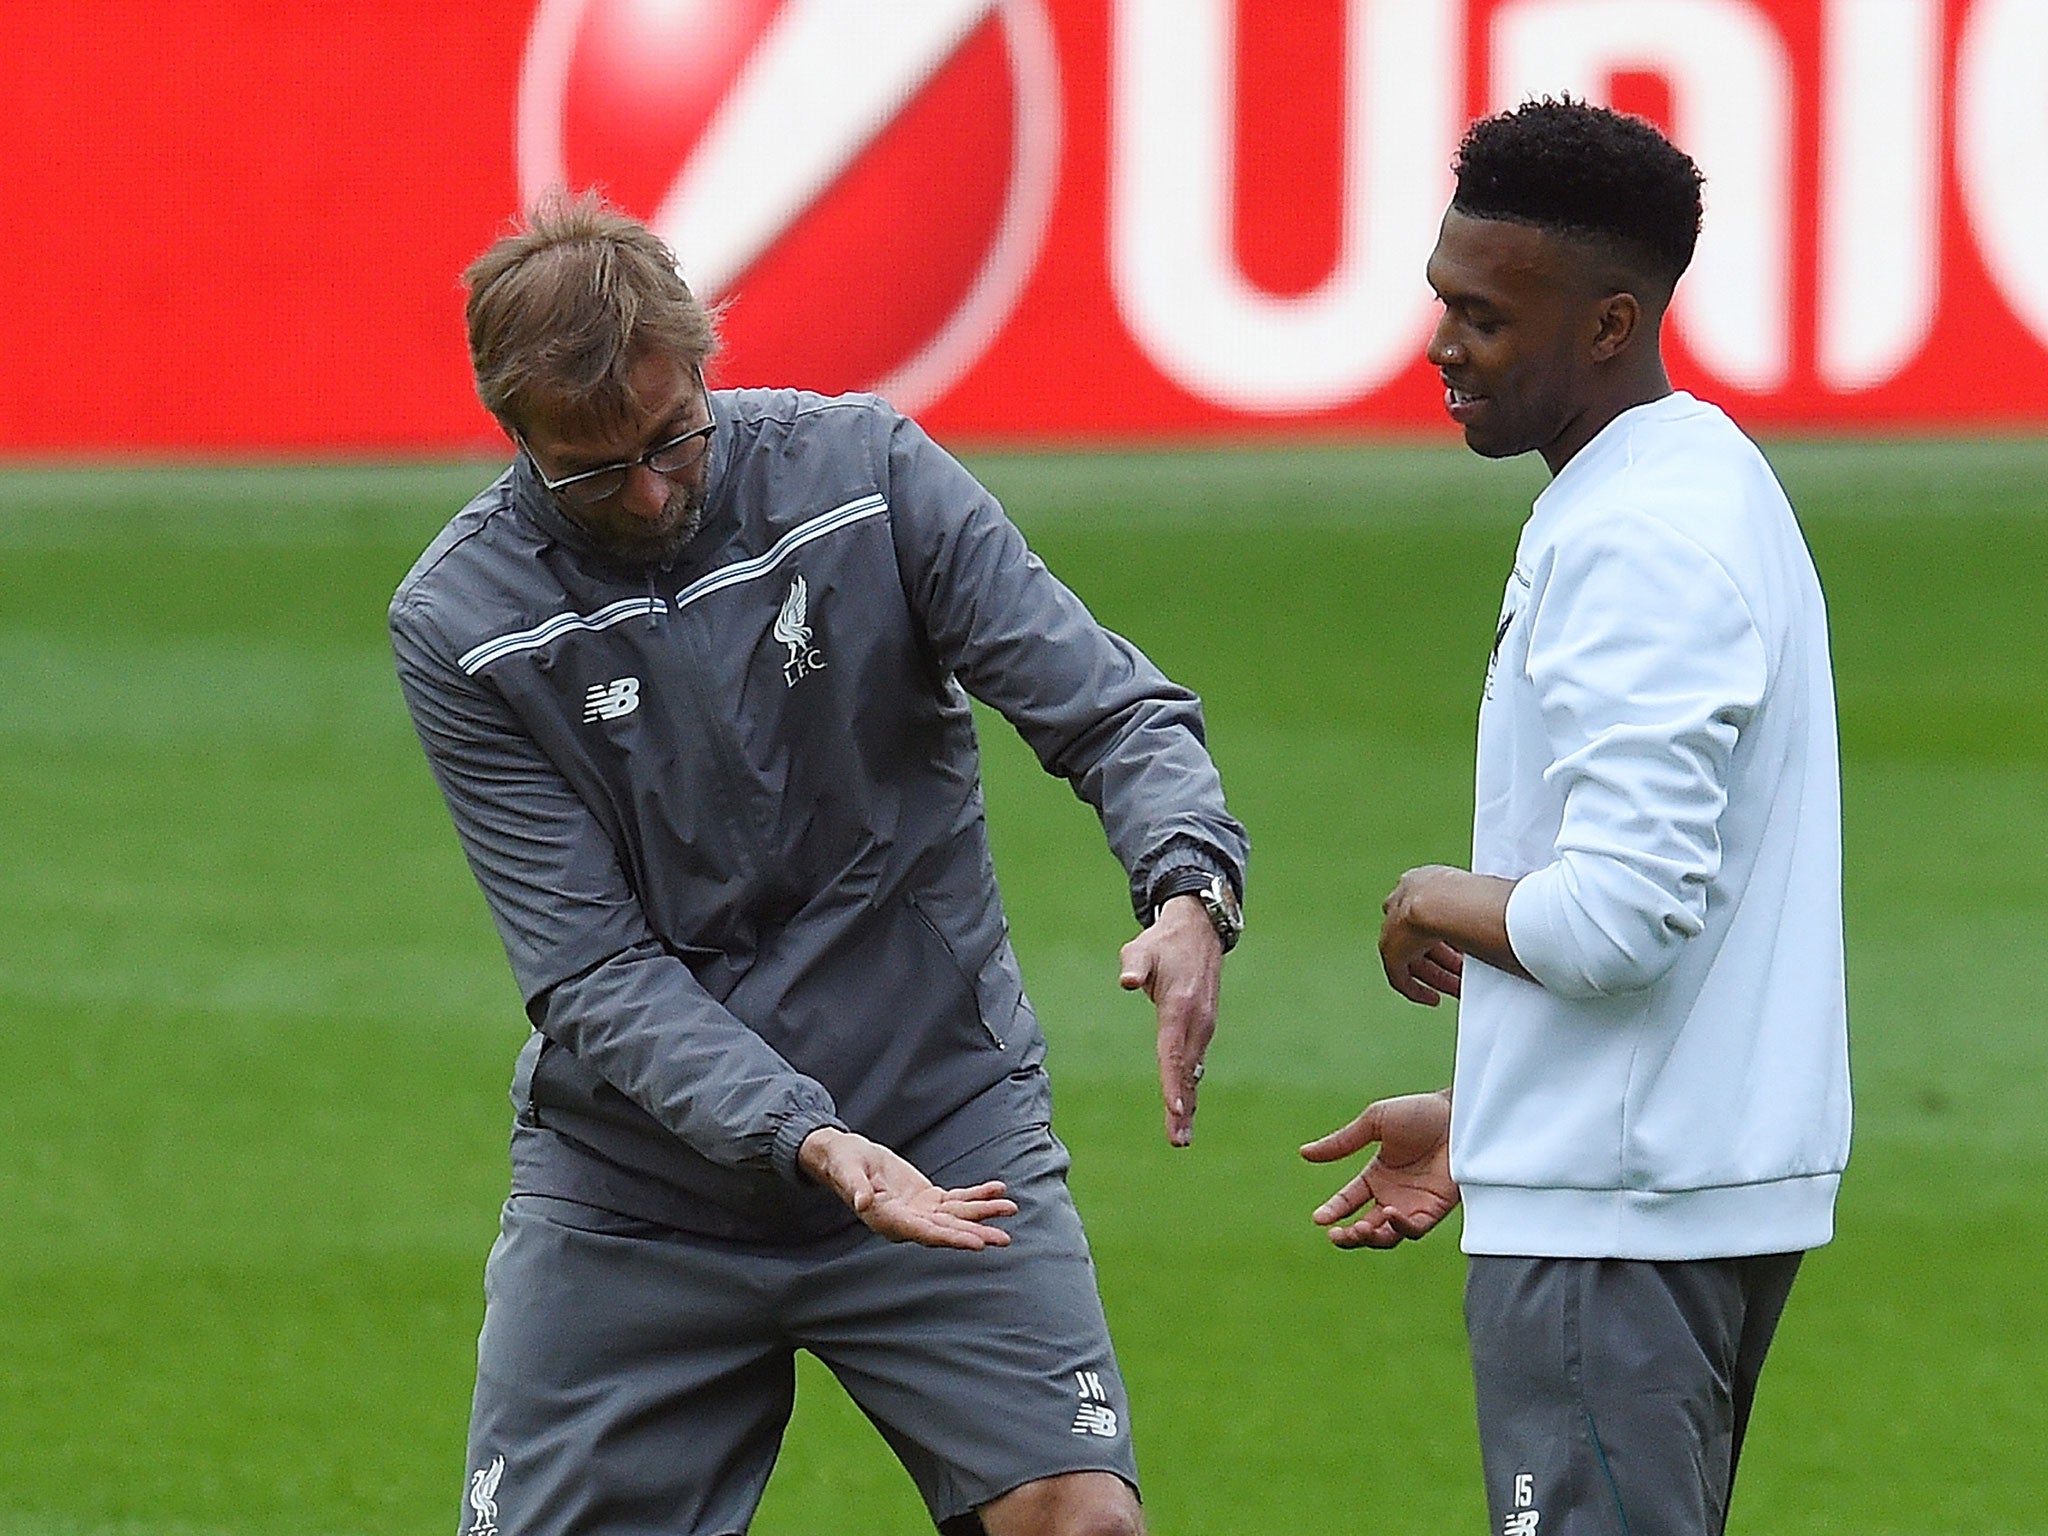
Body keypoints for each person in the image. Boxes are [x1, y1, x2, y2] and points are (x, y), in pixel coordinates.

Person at [390, 194, 1247, 1536]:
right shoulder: (463, 623)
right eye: (593, 470)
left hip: (939, 1119)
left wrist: (1189, 884)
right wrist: (809, 1136)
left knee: (1082, 1525)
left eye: (675, 437)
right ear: (516, 436)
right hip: (640, 1193)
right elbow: (592, 972)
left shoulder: (869, 477)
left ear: (706, 361)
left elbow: (1110, 709)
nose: (653, 489)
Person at [1303, 99, 1851, 1535]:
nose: (1440, 343)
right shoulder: (1699, 478)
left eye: (1483, 315)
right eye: (1440, 300)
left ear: (1609, 322)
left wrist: (1436, 894)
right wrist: (1488, 1120)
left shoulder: (1639, 539)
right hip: (1659, 1188)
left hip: (1619, 1239)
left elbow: (1619, 919)